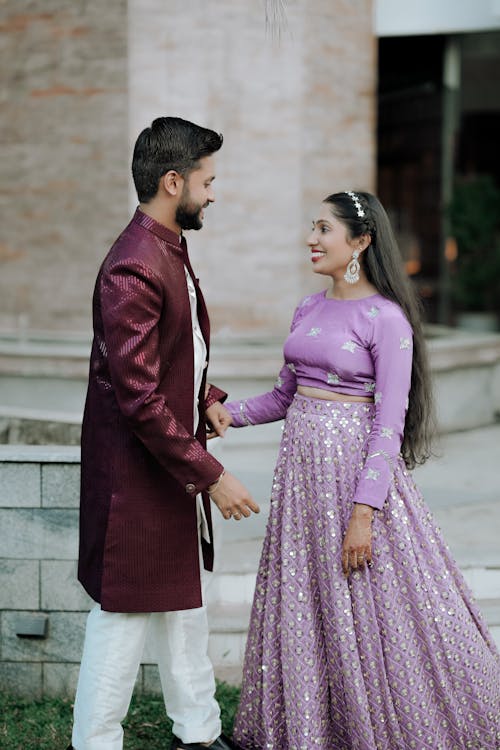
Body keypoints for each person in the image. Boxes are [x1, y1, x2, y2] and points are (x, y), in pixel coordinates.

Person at [209, 191, 500, 749]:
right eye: (311, 227)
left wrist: (364, 512)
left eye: (323, 228)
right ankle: (315, 725)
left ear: (360, 242)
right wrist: (229, 415)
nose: (311, 239)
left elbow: (389, 424)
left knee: (377, 612)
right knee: (309, 603)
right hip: (301, 487)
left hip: (356, 488)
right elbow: (284, 397)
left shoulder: (386, 319)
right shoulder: (308, 308)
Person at [69, 116, 259, 750]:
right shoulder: (134, 264)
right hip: (135, 481)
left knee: (184, 611)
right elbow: (140, 397)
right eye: (207, 181)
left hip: (166, 472)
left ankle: (198, 735)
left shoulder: (170, 248)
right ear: (173, 181)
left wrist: (207, 399)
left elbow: (179, 353)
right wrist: (214, 477)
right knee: (121, 622)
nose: (213, 193)